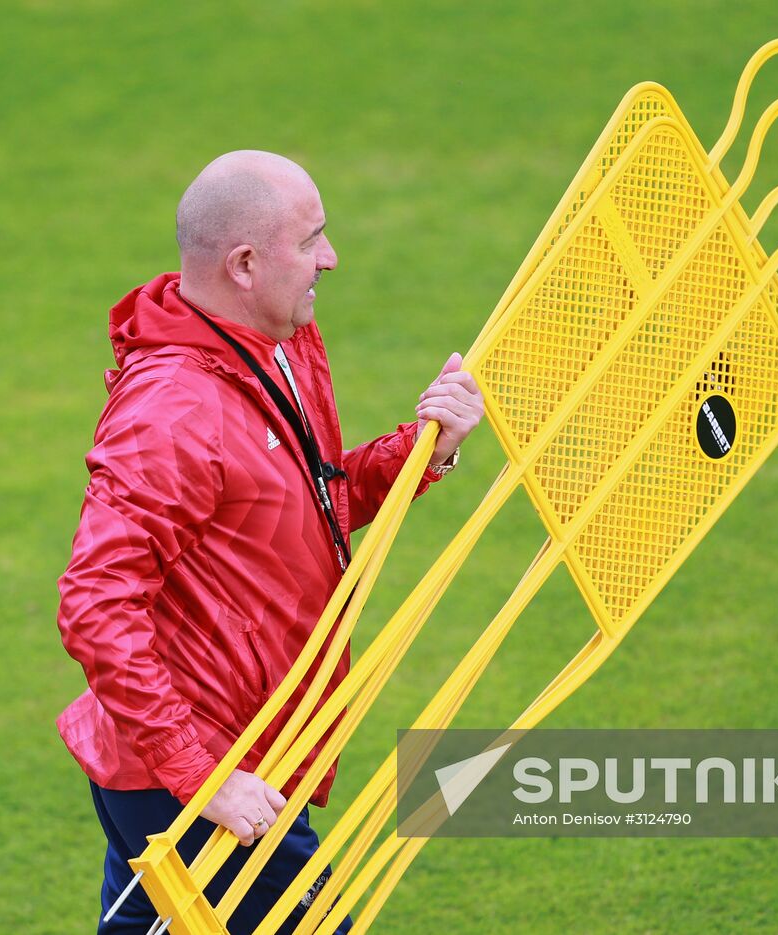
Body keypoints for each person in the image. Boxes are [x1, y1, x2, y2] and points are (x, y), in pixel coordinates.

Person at [56, 150, 484, 934]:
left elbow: (312, 501)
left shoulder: (281, 346)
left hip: (227, 751)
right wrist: (204, 777)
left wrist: (428, 446)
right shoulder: (173, 412)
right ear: (245, 264)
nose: (330, 257)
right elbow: (94, 603)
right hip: (204, 769)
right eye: (310, 240)